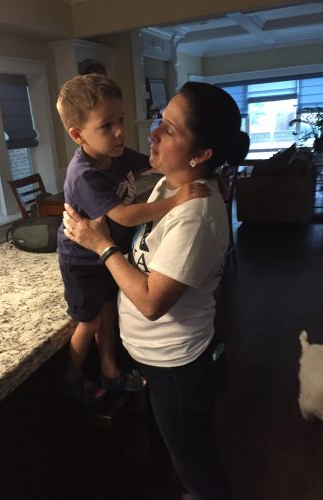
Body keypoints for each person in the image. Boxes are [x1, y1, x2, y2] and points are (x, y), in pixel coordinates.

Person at [62, 81, 249, 499]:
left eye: (169, 127)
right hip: (162, 364)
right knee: (187, 451)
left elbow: (150, 302)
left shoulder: (195, 216)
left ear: (200, 155)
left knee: (198, 470)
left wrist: (101, 245)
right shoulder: (171, 183)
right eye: (159, 119)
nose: (152, 132)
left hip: (179, 371)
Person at [56, 74, 210, 403]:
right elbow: (123, 216)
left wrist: (199, 167)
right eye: (107, 125)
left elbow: (155, 165)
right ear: (77, 135)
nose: (120, 131)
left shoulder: (117, 154)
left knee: (108, 312)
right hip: (82, 261)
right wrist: (178, 198)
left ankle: (110, 372)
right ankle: (70, 378)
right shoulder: (85, 173)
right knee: (90, 321)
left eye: (121, 119)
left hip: (106, 256)